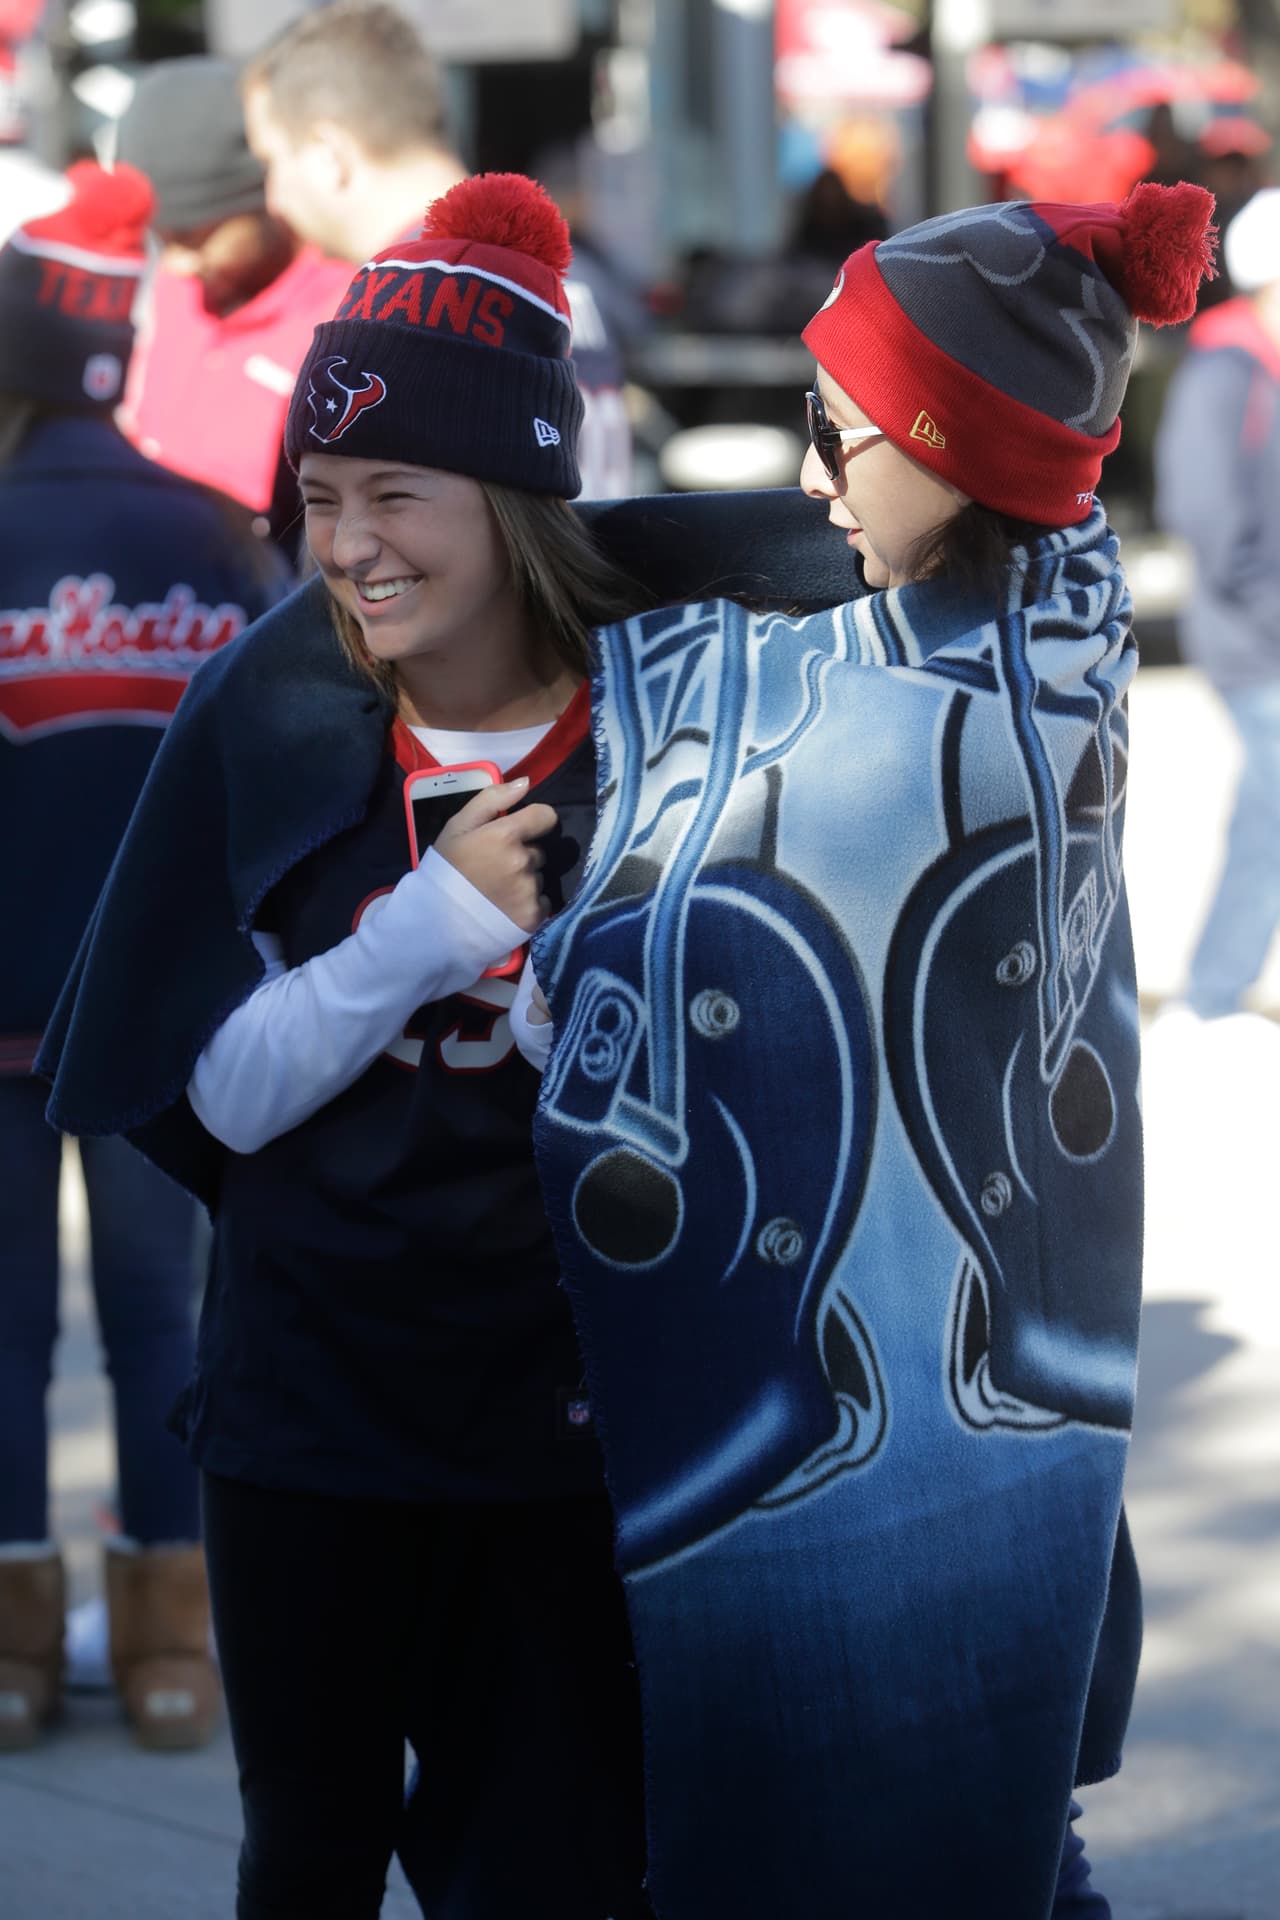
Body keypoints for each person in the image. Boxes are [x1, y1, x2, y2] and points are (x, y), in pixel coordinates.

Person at [520, 183, 1216, 1917]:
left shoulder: (938, 726)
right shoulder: (1064, 620)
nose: (809, 479)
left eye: (834, 436)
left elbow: (673, 914)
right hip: (1020, 1435)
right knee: (1015, 1845)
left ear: (947, 445)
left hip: (925, 1457)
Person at [40, 172, 652, 1920]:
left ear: (523, 495)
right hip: (314, 1408)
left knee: (553, 1865)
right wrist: (429, 934)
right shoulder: (281, 698)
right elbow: (215, 1091)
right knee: (305, 1854)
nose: (354, 542)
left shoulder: (669, 712)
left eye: (398, 491)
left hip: (569, 1414)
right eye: (319, 499)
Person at [0, 160, 285, 1753]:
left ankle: (13, 1654)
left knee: (2, 1335)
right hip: (166, 1020)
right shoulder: (211, 534)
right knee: (165, 1325)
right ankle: (178, 1653)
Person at [241, 0, 633, 498]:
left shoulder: (408, 307)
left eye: (271, 160)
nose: (272, 199)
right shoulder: (565, 275)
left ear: (327, 155)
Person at [114, 55, 350, 546]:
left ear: (263, 195)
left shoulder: (345, 311)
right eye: (160, 240)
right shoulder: (175, 286)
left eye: (194, 236)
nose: (177, 265)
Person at [1153, 187, 1280, 1025]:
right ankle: (1211, 993)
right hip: (1252, 641)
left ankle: (1215, 989)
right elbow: (1200, 509)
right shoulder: (1226, 369)